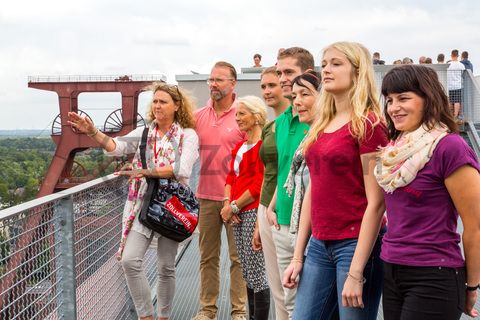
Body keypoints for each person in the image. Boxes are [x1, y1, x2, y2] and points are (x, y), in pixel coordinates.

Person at [68, 83, 199, 320]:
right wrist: (91, 131)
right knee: (130, 260)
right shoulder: (145, 132)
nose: (157, 106)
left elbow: (182, 169)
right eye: (155, 101)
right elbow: (116, 147)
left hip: (172, 206)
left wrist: (144, 172)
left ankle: (164, 316)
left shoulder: (187, 136)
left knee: (166, 267)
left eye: (163, 102)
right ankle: (146, 316)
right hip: (142, 203)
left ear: (177, 106)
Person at [283, 41, 388, 320]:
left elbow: (377, 202)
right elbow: (313, 189)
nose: (326, 69)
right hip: (319, 244)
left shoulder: (369, 124)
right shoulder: (322, 123)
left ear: (357, 71)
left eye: (336, 64)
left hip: (355, 244)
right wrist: (297, 256)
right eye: (325, 63)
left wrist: (356, 271)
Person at [376, 64, 480, 319]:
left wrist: (472, 285)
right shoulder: (393, 150)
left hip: (435, 273)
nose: (393, 107)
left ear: (428, 99)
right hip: (391, 267)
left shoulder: (450, 147)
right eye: (389, 100)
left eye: (403, 98)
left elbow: (475, 225)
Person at [193, 61, 247, 320]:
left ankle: (239, 311)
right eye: (211, 80)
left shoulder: (242, 115)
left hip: (236, 200)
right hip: (205, 197)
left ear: (233, 83)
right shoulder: (198, 116)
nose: (213, 84)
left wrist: (240, 200)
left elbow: (251, 160)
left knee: (238, 259)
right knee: (208, 257)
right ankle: (207, 309)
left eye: (219, 80)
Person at [267, 46, 314, 318]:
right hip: (281, 220)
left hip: (308, 226)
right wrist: (272, 205)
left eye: (289, 72)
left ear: (307, 74)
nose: (283, 78)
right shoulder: (282, 121)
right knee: (289, 301)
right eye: (279, 72)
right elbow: (286, 169)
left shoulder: (317, 120)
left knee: (307, 305)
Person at [220, 95, 270, 320]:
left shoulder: (262, 147)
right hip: (238, 213)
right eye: (237, 114)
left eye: (242, 113)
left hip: (251, 213)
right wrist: (227, 206)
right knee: (248, 272)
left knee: (258, 272)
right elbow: (231, 176)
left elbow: (259, 183)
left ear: (256, 116)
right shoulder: (240, 145)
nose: (237, 118)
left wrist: (233, 207)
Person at [252, 66, 290, 320]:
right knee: (277, 288)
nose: (266, 91)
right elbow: (267, 173)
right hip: (266, 209)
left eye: (272, 85)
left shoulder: (299, 122)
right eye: (263, 86)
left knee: (290, 290)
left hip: (286, 209)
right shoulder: (270, 127)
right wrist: (259, 220)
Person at [283, 70, 321, 245]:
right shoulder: (307, 140)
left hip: (329, 238)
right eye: (294, 96)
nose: (297, 102)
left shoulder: (326, 139)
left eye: (304, 94)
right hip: (310, 237)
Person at [447, 49, 465, 119]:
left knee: (451, 101)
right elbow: (462, 74)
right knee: (457, 101)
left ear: (451, 55)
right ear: (458, 55)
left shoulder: (448, 65)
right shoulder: (461, 65)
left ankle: (450, 115)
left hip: (450, 85)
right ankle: (455, 115)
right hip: (458, 85)